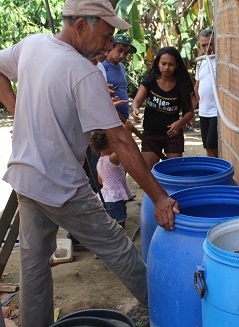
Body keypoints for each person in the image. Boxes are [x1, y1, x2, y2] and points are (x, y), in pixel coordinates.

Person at [0, 0, 179, 326]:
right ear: (81, 26)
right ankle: (171, 312)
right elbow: (122, 142)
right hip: (61, 186)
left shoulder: (32, 44)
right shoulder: (84, 73)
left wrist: (18, 109)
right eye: (106, 35)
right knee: (117, 248)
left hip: (25, 177)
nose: (109, 44)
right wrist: (160, 197)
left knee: (34, 263)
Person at [131, 46, 195, 168]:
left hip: (172, 135)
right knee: (148, 173)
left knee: (174, 172)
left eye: (170, 64)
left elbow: (189, 112)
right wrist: (135, 110)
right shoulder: (150, 81)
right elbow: (136, 101)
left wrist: (179, 123)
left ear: (176, 65)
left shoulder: (182, 85)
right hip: (151, 133)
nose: (166, 68)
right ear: (158, 64)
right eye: (163, 63)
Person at [90, 128, 133, 229]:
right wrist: (128, 131)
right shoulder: (112, 159)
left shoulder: (99, 162)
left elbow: (100, 181)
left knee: (108, 227)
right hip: (115, 199)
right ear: (109, 144)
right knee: (119, 226)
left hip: (104, 198)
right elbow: (124, 148)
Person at [193, 29, 219, 157]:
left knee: (211, 145)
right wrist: (192, 109)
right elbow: (197, 86)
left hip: (216, 111)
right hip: (204, 111)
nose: (207, 48)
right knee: (207, 147)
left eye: (210, 44)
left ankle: (216, 175)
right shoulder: (200, 62)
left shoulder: (219, 61)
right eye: (203, 45)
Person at [100, 34, 136, 121]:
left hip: (123, 116)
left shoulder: (122, 67)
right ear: (111, 47)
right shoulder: (101, 66)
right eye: (119, 51)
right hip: (109, 117)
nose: (122, 55)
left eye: (126, 53)